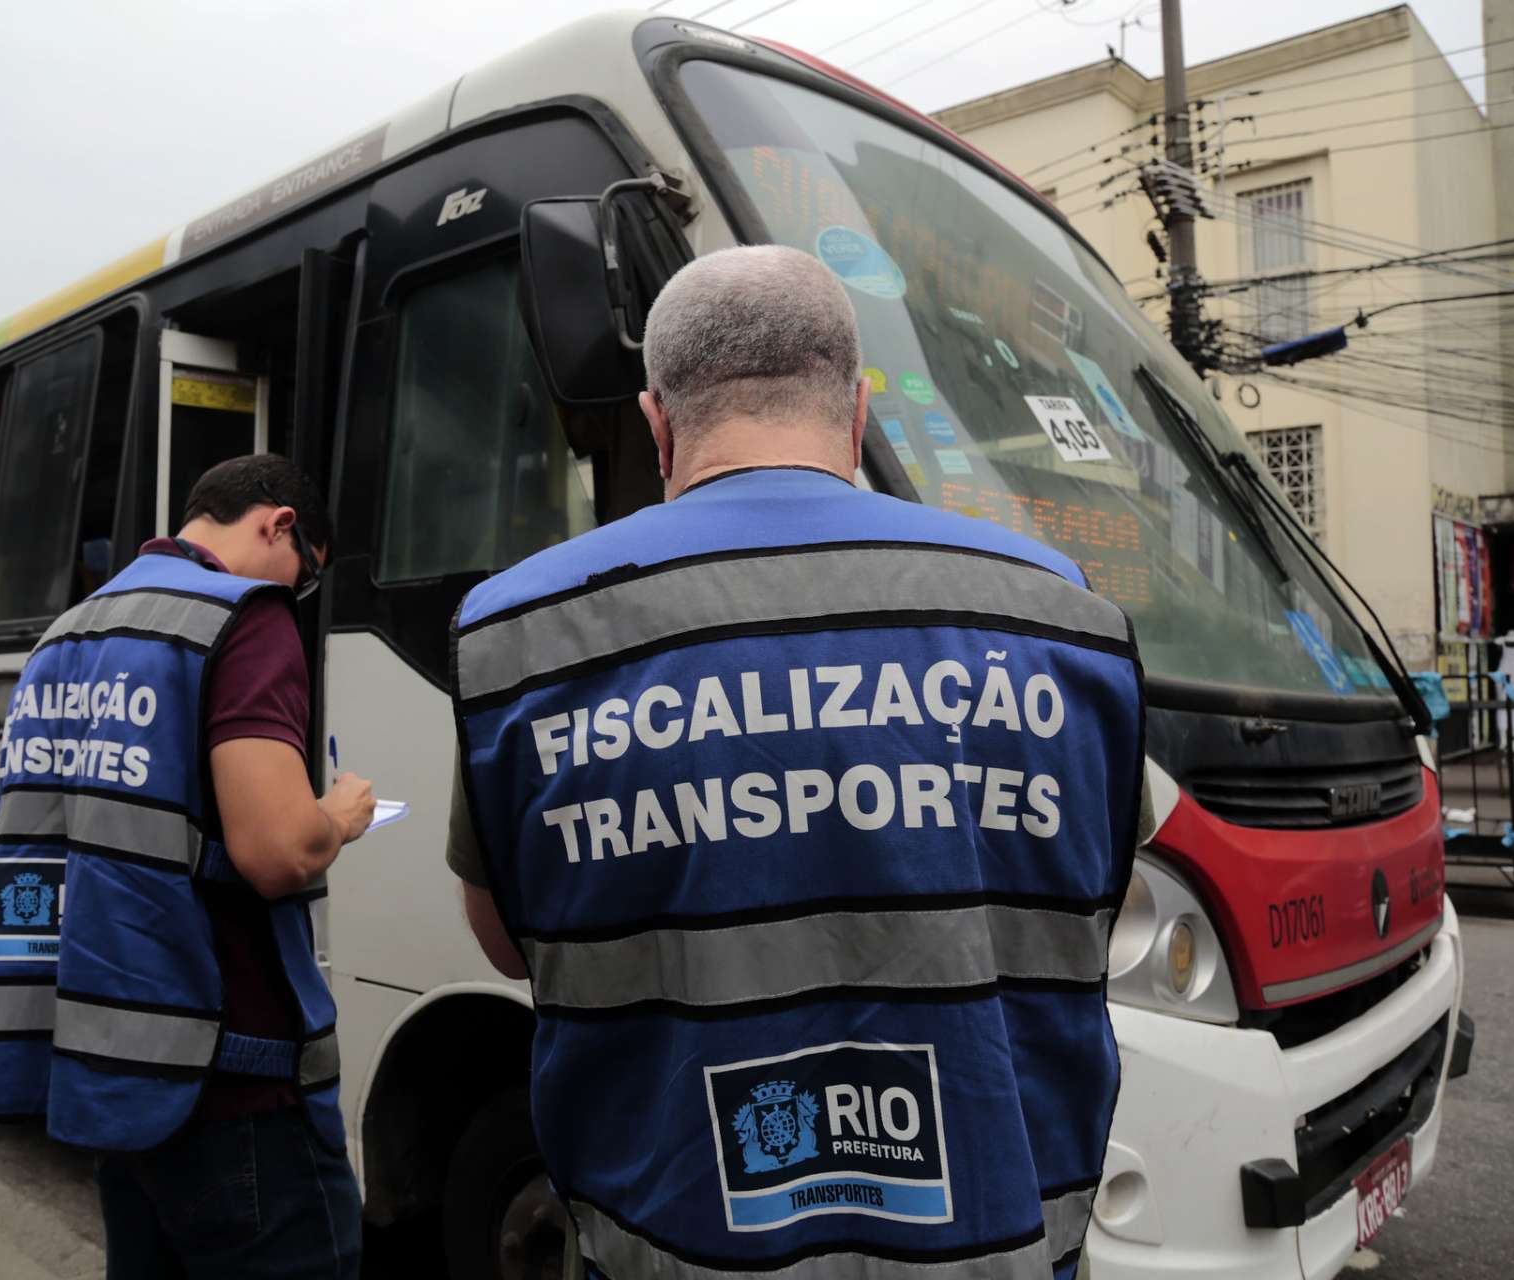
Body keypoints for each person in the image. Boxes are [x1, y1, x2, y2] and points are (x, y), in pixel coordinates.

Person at [447, 246, 1143, 1279]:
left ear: (658, 424)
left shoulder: (517, 632)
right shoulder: (1064, 614)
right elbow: (1091, 905)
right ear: (858, 413)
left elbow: (506, 943)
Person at [0, 454, 373, 1279]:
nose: (299, 595)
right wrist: (340, 814)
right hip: (233, 1082)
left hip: (110, 1074)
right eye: (308, 575)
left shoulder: (67, 634)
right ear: (278, 524)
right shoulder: (245, 619)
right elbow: (278, 850)